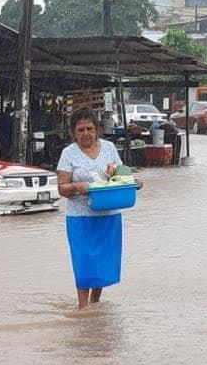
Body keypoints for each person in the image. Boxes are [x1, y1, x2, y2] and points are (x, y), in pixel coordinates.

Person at [56, 107, 142, 310]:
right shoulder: (68, 153)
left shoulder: (110, 149)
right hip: (80, 218)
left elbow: (120, 175)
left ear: (97, 130)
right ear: (73, 133)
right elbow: (62, 188)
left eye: (89, 129)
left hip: (108, 216)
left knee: (103, 262)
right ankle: (83, 308)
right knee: (84, 261)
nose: (85, 134)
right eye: (80, 130)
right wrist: (79, 187)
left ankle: (95, 303)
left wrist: (133, 182)